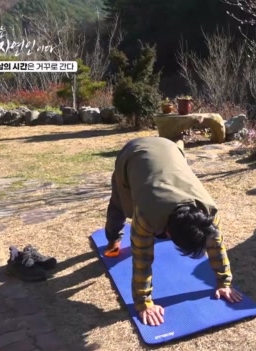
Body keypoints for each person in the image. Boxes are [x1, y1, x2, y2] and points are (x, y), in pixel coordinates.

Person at [103, 136, 242, 327]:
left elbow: (216, 245)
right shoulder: (146, 216)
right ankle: (112, 239)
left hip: (170, 149)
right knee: (119, 206)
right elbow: (142, 259)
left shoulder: (208, 214)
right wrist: (144, 303)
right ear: (169, 234)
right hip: (132, 154)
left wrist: (224, 282)